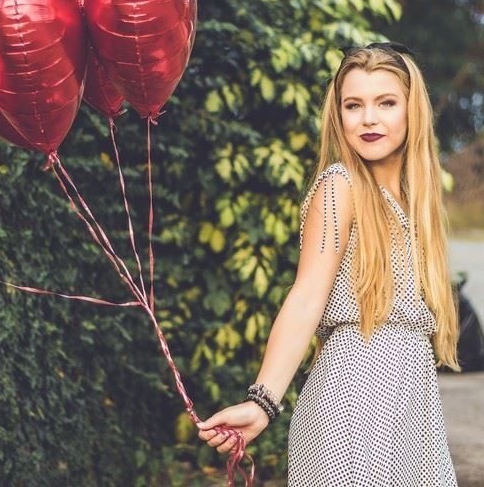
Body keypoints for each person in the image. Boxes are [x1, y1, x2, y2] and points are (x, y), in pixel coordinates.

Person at [195, 43, 461, 485]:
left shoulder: (417, 200)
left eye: (386, 103)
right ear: (338, 115)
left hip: (410, 404)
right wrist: (263, 400)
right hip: (353, 401)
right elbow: (306, 297)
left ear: (413, 110)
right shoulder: (341, 185)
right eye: (353, 105)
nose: (369, 118)